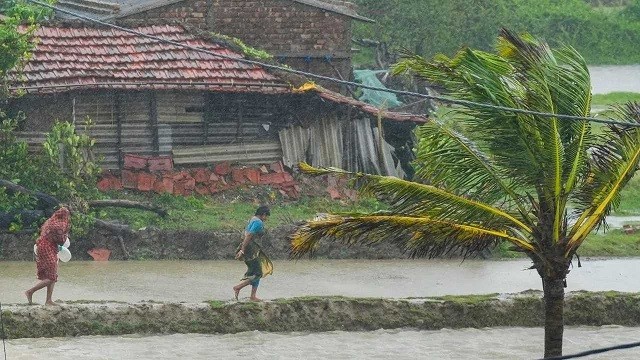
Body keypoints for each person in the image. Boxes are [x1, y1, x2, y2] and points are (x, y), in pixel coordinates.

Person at [25, 206, 71, 306]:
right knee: (51, 277)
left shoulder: (50, 221)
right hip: (47, 248)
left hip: (42, 246)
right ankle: (30, 291)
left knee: (52, 274)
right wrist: (66, 233)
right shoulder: (59, 225)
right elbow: (61, 241)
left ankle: (48, 300)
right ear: (65, 216)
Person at [233, 205, 273, 301]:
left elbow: (246, 234)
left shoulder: (253, 219)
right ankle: (238, 287)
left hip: (252, 249)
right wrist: (242, 250)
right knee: (258, 273)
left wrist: (242, 248)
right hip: (251, 251)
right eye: (266, 216)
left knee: (256, 271)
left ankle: (253, 296)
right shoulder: (258, 222)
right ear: (263, 214)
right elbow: (249, 235)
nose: (266, 219)